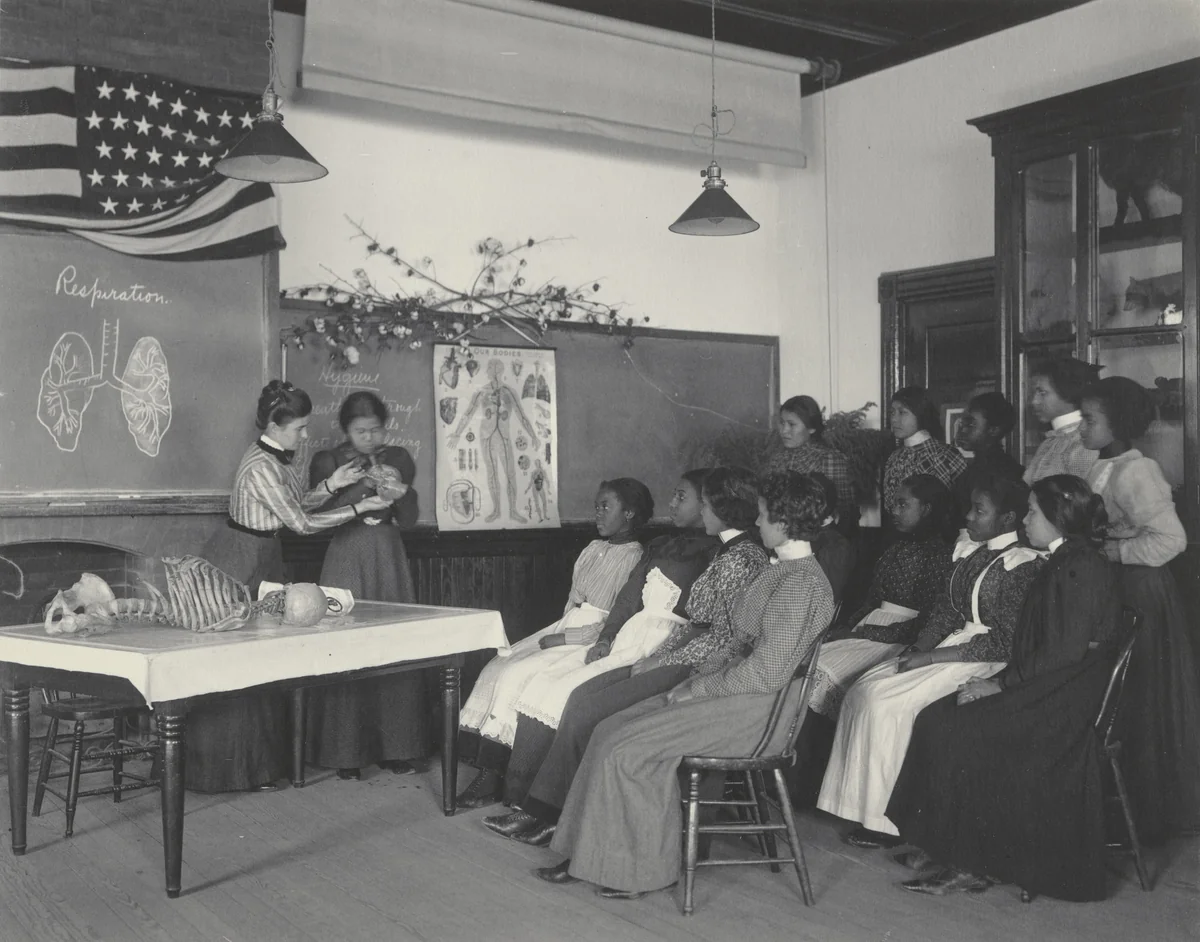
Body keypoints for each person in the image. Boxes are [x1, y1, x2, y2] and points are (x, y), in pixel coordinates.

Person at [494, 471, 865, 843]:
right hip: (721, 681)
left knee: (612, 733)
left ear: (783, 522)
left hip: (741, 703)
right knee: (602, 722)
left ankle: (599, 843)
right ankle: (573, 834)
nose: (756, 521)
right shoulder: (779, 570)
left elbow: (757, 666)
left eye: (764, 515)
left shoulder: (792, 579)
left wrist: (693, 681)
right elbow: (737, 643)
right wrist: (689, 669)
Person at [887, 475, 1121, 900]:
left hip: (1063, 697)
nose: (1026, 520)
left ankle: (971, 865)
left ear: (1057, 518)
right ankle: (945, 847)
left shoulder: (1080, 566)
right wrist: (1001, 682)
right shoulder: (1064, 558)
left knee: (958, 728)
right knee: (938, 718)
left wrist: (1001, 685)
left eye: (1033, 512)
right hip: (1048, 683)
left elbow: (1064, 653)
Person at [817, 473, 1043, 848]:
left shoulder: (1024, 564)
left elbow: (1004, 642)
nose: (968, 516)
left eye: (979, 511)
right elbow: (945, 613)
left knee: (886, 703)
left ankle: (887, 821)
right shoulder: (972, 552)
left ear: (1007, 519)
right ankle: (862, 807)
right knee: (865, 688)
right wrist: (918, 649)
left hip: (984, 660)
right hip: (951, 646)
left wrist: (932, 656)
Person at [186, 380, 391, 793]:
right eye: (299, 428)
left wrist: (333, 484)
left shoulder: (276, 457)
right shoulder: (260, 466)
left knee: (260, 661)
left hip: (262, 555)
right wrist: (358, 507)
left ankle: (257, 769)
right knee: (238, 665)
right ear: (275, 427)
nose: (306, 434)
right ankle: (227, 772)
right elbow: (300, 524)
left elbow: (293, 507)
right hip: (239, 561)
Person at [455, 478, 651, 808]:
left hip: (593, 638)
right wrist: (555, 633)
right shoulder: (593, 548)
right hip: (566, 626)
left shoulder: (635, 557)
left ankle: (506, 779)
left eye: (606, 507)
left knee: (519, 676)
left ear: (629, 513)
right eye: (596, 506)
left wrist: (566, 638)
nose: (598, 513)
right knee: (500, 664)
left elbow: (617, 616)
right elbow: (573, 602)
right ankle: (491, 771)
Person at [1080, 376, 1200, 844]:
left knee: (1142, 699)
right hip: (1118, 588)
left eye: (1089, 420)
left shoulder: (1138, 471)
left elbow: (1172, 540)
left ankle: (1149, 815)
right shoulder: (1103, 465)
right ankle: (1121, 809)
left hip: (1142, 592)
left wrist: (1113, 552)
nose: (1081, 428)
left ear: (1118, 423)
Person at [304, 391, 426, 781]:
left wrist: (400, 492)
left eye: (376, 430)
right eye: (361, 431)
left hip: (389, 557)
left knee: (394, 647)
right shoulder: (328, 461)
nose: (370, 438)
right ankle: (346, 753)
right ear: (346, 430)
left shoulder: (399, 459)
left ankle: (396, 748)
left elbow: (409, 519)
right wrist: (362, 487)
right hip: (347, 555)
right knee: (346, 646)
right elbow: (318, 514)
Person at [763, 395, 858, 531]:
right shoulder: (777, 459)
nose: (784, 430)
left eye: (791, 424)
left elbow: (845, 512)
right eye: (782, 423)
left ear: (812, 428)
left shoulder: (829, 459)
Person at [881, 386, 967, 516]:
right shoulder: (893, 458)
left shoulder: (947, 455)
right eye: (892, 412)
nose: (894, 419)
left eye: (902, 412)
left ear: (921, 414)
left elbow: (961, 505)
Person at [1023, 357, 1100, 484]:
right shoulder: (1049, 442)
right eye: (1034, 393)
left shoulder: (1085, 444)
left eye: (1042, 392)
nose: (1034, 401)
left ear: (1068, 393)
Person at [951, 391, 1025, 518]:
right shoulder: (976, 467)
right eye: (962, 423)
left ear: (993, 430)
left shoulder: (1001, 472)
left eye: (971, 424)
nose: (962, 429)